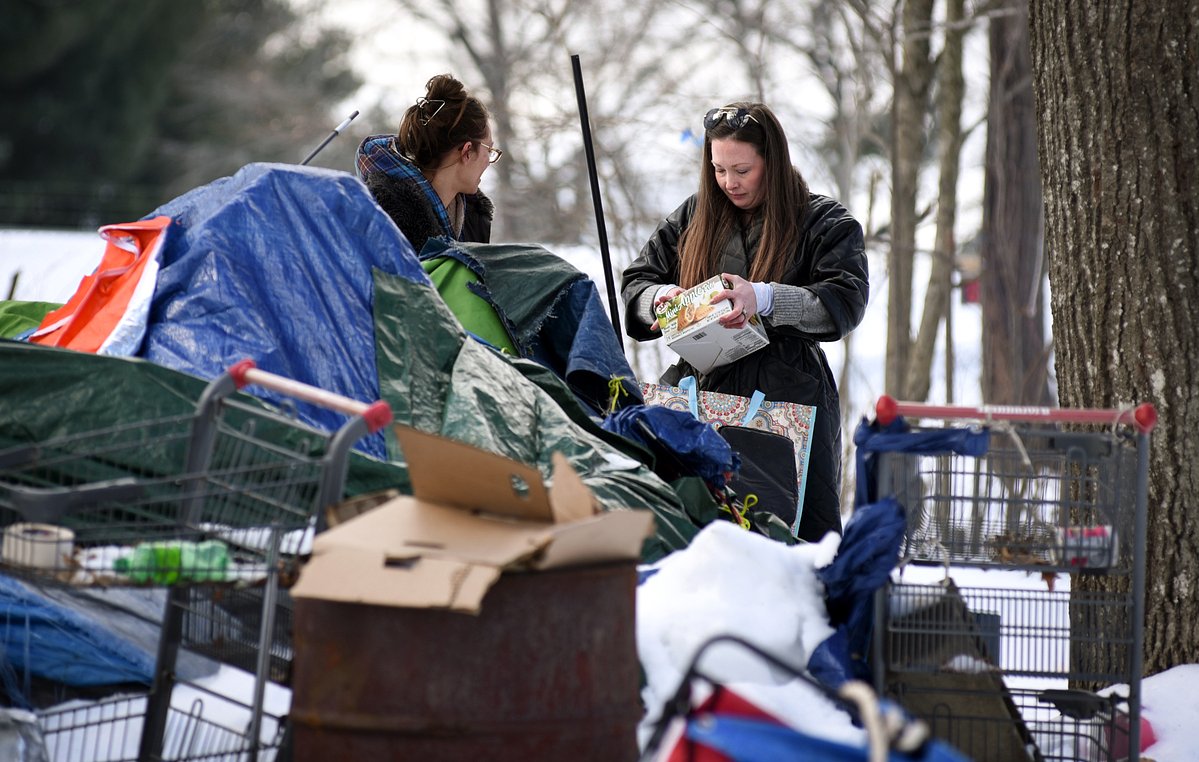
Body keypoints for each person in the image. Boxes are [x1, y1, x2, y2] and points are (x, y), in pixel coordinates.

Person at [621, 102, 869, 542]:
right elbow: (637, 282)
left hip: (789, 400)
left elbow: (845, 302)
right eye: (718, 170)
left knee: (790, 540)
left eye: (742, 169)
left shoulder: (825, 221)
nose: (729, 183)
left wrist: (766, 298)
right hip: (697, 394)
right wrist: (660, 299)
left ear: (771, 162)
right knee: (692, 535)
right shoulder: (693, 216)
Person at [356, 73, 500, 252]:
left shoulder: (474, 219)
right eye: (489, 150)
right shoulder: (384, 217)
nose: (489, 161)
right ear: (467, 151)